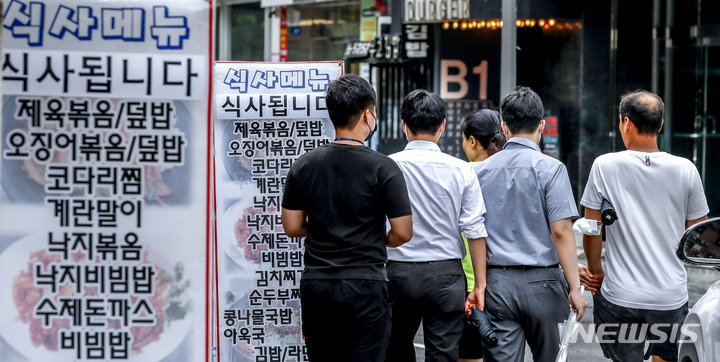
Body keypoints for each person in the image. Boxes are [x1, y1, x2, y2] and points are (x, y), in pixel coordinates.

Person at [281, 74, 413, 362]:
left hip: (318, 286)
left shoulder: (303, 165)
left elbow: (292, 227)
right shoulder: (384, 168)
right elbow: (403, 232)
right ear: (368, 115)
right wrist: (373, 236)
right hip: (366, 284)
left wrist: (322, 226)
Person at [579, 90, 709, 362]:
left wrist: (595, 271)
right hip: (669, 296)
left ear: (626, 122)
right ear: (660, 125)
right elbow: (696, 235)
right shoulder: (686, 169)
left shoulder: (604, 165)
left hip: (620, 295)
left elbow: (592, 228)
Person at [467, 86, 586, 362]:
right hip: (544, 283)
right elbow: (561, 231)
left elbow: (475, 231)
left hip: (497, 284)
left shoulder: (480, 171)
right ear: (542, 125)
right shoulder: (552, 169)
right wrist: (575, 287)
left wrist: (480, 285)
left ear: (504, 127)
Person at [384, 89, 488, 362]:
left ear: (404, 126)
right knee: (444, 354)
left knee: (395, 349)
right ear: (442, 126)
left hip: (396, 274)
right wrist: (479, 285)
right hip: (447, 277)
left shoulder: (386, 166)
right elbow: (475, 230)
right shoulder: (462, 169)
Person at [458, 109, 506, 362]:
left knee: (470, 355)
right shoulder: (511, 172)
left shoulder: (462, 173)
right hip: (507, 281)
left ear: (473, 141)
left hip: (469, 282)